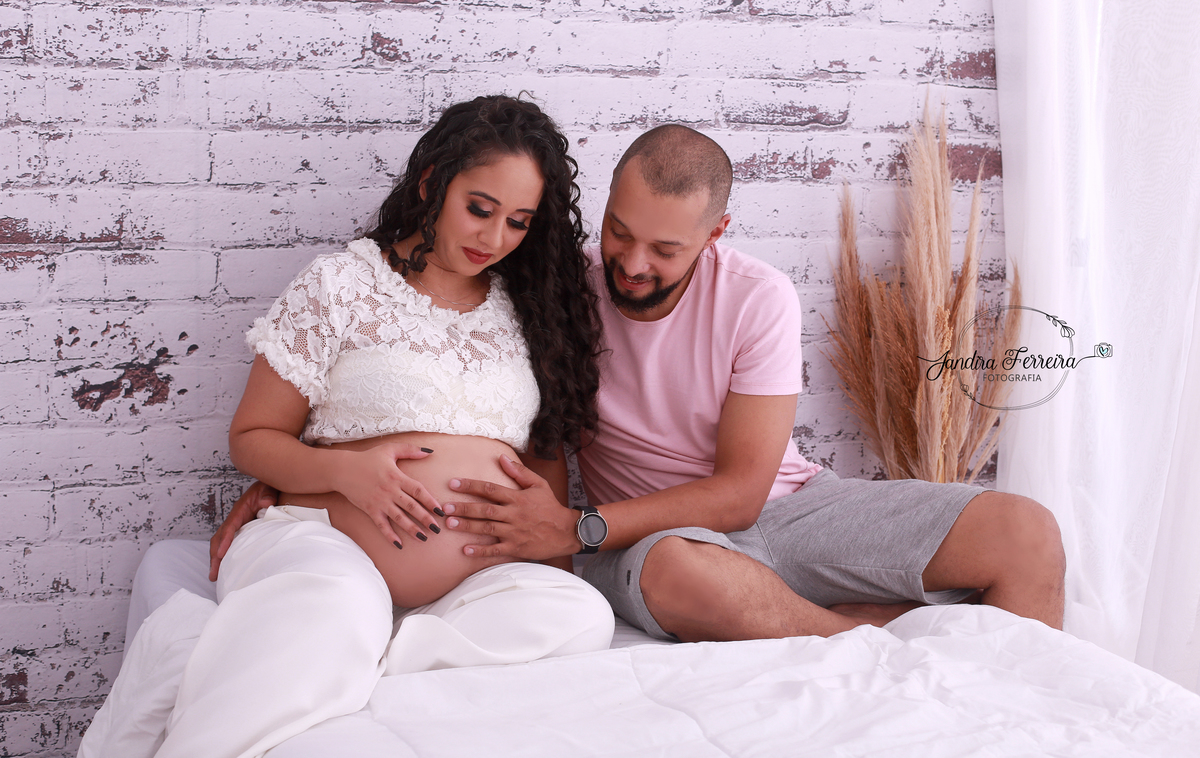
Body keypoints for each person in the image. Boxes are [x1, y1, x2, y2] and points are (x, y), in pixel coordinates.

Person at [216, 123, 1066, 647]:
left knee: (1024, 533)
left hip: (778, 507)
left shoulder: (757, 295)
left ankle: (1018, 723)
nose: (630, 263)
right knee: (692, 578)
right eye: (619, 233)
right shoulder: (556, 288)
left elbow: (740, 494)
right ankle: (894, 648)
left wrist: (575, 524)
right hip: (657, 547)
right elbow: (422, 379)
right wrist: (296, 471)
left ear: (717, 233)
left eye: (664, 250)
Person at [75, 96, 614, 758]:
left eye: (519, 221)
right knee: (335, 608)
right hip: (326, 540)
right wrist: (348, 473)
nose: (496, 237)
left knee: (576, 615)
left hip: (464, 587)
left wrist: (548, 548)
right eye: (479, 209)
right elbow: (252, 437)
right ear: (431, 184)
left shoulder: (528, 309)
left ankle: (368, 658)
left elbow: (538, 474)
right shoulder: (341, 286)